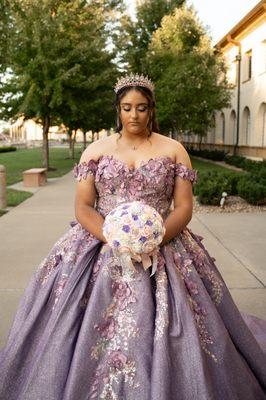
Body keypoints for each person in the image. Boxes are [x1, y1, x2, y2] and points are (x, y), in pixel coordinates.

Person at [0, 73, 265, 400]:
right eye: (127, 108)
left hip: (164, 242)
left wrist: (155, 238)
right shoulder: (95, 151)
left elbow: (183, 207)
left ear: (151, 110)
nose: (134, 115)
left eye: (142, 108)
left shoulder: (174, 150)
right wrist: (115, 240)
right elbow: (83, 207)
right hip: (101, 243)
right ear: (118, 110)